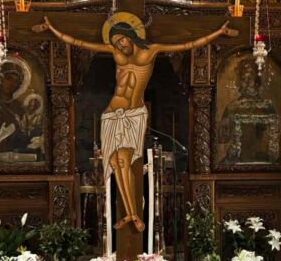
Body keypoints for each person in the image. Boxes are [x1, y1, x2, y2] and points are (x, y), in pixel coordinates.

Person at [35, 15, 236, 231]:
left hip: (133, 114)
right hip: (112, 114)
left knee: (124, 161)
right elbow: (80, 42)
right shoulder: (115, 52)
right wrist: (52, 29)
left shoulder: (151, 50)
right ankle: (130, 214)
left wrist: (218, 32)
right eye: (116, 42)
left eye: (122, 40)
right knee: (115, 162)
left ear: (131, 36)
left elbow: (187, 45)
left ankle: (134, 212)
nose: (120, 45)